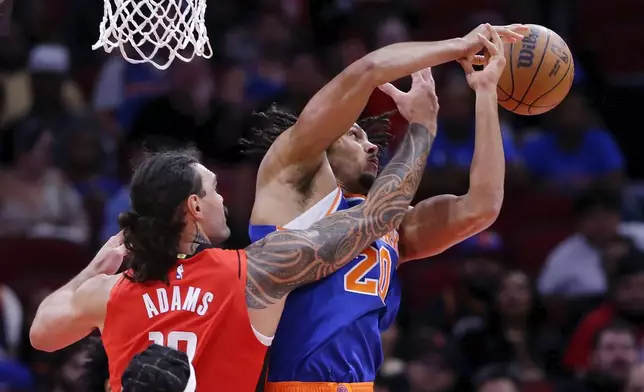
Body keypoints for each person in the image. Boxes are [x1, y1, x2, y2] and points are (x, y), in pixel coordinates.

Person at [29, 114, 432, 392]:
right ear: (195, 207)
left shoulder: (109, 290)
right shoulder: (252, 272)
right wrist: (422, 125)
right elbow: (381, 214)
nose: (224, 199)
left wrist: (93, 269)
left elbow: (42, 334)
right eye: (215, 190)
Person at [244, 23, 517, 390]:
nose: (372, 146)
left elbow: (482, 207)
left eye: (369, 138)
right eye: (354, 136)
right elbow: (368, 71)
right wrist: (458, 46)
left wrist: (485, 94)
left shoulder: (388, 227)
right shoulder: (291, 180)